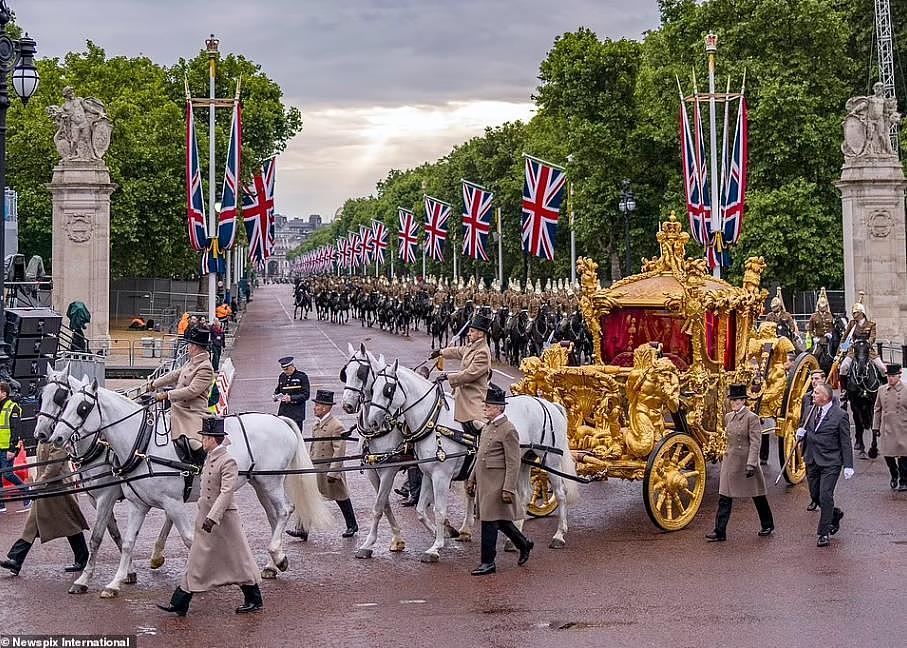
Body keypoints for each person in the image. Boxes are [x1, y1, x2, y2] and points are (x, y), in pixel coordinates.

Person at [158, 418, 262, 616]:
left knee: (239, 559)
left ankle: (254, 598)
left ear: (213, 439)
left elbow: (226, 492)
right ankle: (180, 601)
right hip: (206, 517)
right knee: (196, 558)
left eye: (205, 437)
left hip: (224, 520)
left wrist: (213, 517)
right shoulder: (210, 457)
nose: (202, 441)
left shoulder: (228, 461)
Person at [466, 384, 532, 576]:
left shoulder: (508, 430)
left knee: (489, 522)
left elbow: (514, 463)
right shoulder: (488, 427)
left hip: (498, 484)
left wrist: (508, 489)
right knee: (500, 521)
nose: (484, 409)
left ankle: (488, 562)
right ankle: (524, 544)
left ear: (498, 408)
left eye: (488, 406)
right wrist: (471, 479)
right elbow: (480, 457)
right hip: (485, 483)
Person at [0, 441, 89, 575]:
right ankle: (16, 559)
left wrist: (37, 485)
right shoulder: (43, 440)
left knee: (71, 524)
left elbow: (53, 468)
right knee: (31, 525)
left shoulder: (58, 441)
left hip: (58, 490)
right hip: (44, 490)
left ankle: (83, 559)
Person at [706, 384, 774, 542]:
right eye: (732, 400)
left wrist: (751, 464)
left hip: (746, 461)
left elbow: (755, 443)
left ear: (744, 401)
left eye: (738, 400)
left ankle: (767, 524)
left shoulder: (752, 418)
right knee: (724, 496)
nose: (734, 403)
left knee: (757, 495)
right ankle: (720, 531)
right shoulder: (728, 416)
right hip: (730, 462)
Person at [796, 383, 854, 547]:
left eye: (816, 393)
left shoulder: (840, 415)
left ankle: (824, 532)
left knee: (825, 495)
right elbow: (804, 426)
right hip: (812, 459)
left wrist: (848, 465)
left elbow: (845, 442)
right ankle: (834, 514)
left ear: (825, 397)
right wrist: (801, 433)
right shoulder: (810, 409)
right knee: (815, 495)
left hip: (831, 461)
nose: (812, 395)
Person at [151, 327, 215, 457]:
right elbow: (175, 374)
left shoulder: (205, 367)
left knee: (193, 443)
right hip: (179, 408)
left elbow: (192, 391)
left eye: (190, 345)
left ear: (195, 347)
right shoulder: (191, 361)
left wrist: (167, 395)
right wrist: (153, 384)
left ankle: (200, 465)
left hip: (192, 412)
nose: (187, 348)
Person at [431, 313, 493, 437]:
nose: (469, 334)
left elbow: (470, 374)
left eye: (472, 331)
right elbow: (459, 351)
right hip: (461, 393)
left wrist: (448, 377)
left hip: (472, 396)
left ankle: (483, 446)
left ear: (480, 334)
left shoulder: (483, 352)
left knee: (478, 425)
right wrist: (441, 352)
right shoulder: (473, 346)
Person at [308, 390, 357, 537]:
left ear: (324, 407)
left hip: (330, 472)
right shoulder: (316, 424)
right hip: (317, 469)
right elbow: (313, 448)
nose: (315, 408)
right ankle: (302, 529)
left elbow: (339, 451)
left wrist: (333, 472)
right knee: (309, 498)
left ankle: (352, 525)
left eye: (317, 405)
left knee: (342, 498)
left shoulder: (336, 426)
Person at [872, 364, 907, 491]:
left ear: (899, 376)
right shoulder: (881, 390)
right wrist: (875, 426)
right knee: (887, 455)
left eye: (893, 376)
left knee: (904, 456)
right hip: (887, 428)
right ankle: (894, 474)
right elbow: (877, 409)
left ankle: (904, 480)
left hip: (903, 427)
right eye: (888, 376)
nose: (890, 379)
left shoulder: (906, 390)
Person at [838, 298, 886, 387]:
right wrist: (840, 350)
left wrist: (868, 342)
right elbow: (845, 337)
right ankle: (844, 390)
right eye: (853, 313)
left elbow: (872, 336)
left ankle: (885, 388)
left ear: (861, 313)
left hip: (867, 350)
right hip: (854, 350)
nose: (853, 315)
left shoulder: (871, 324)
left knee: (882, 368)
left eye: (855, 313)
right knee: (843, 367)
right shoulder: (852, 324)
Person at [0, 381, 29, 513]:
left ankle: (26, 490)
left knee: (7, 473)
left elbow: (16, 429)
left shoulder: (13, 407)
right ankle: (1, 504)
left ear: (4, 392)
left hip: (7, 448)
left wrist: (13, 448)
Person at [273, 357, 310, 430]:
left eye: (287, 369)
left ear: (292, 366)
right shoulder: (282, 376)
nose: (285, 371)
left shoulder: (302, 377)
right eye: (283, 369)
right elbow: (278, 390)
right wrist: (275, 396)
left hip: (296, 413)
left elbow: (306, 395)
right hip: (284, 412)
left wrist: (291, 398)